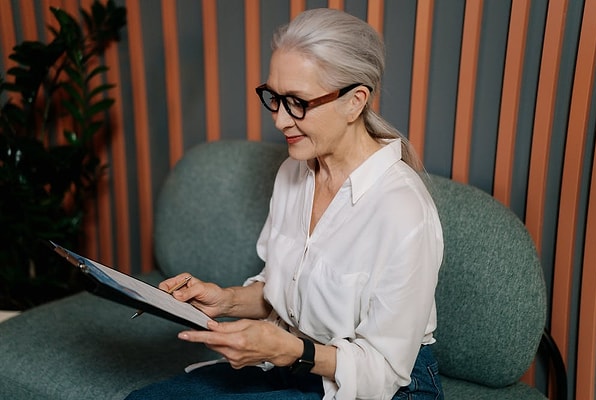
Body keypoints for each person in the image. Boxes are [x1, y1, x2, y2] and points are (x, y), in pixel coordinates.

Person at [126, 8, 444, 400]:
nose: (279, 120)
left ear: (354, 101)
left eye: (297, 102)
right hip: (294, 363)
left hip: (384, 388)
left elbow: (382, 372)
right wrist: (224, 299)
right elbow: (283, 292)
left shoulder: (404, 211)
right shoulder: (294, 173)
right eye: (274, 98)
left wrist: (290, 350)